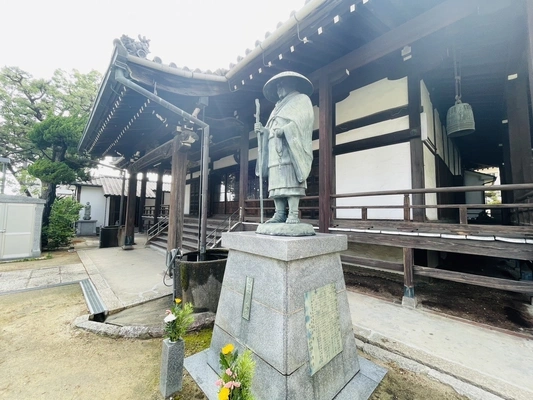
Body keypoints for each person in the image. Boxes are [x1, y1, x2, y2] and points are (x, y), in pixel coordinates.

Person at [255, 71, 314, 224]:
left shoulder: (301, 99)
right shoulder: (277, 107)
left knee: (291, 179)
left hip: (290, 146)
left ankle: (293, 214)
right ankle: (279, 213)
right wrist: (263, 131)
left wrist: (286, 130)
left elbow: (304, 121)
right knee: (277, 182)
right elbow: (270, 127)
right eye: (277, 86)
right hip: (274, 147)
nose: (278, 88)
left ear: (292, 83)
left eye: (281, 84)